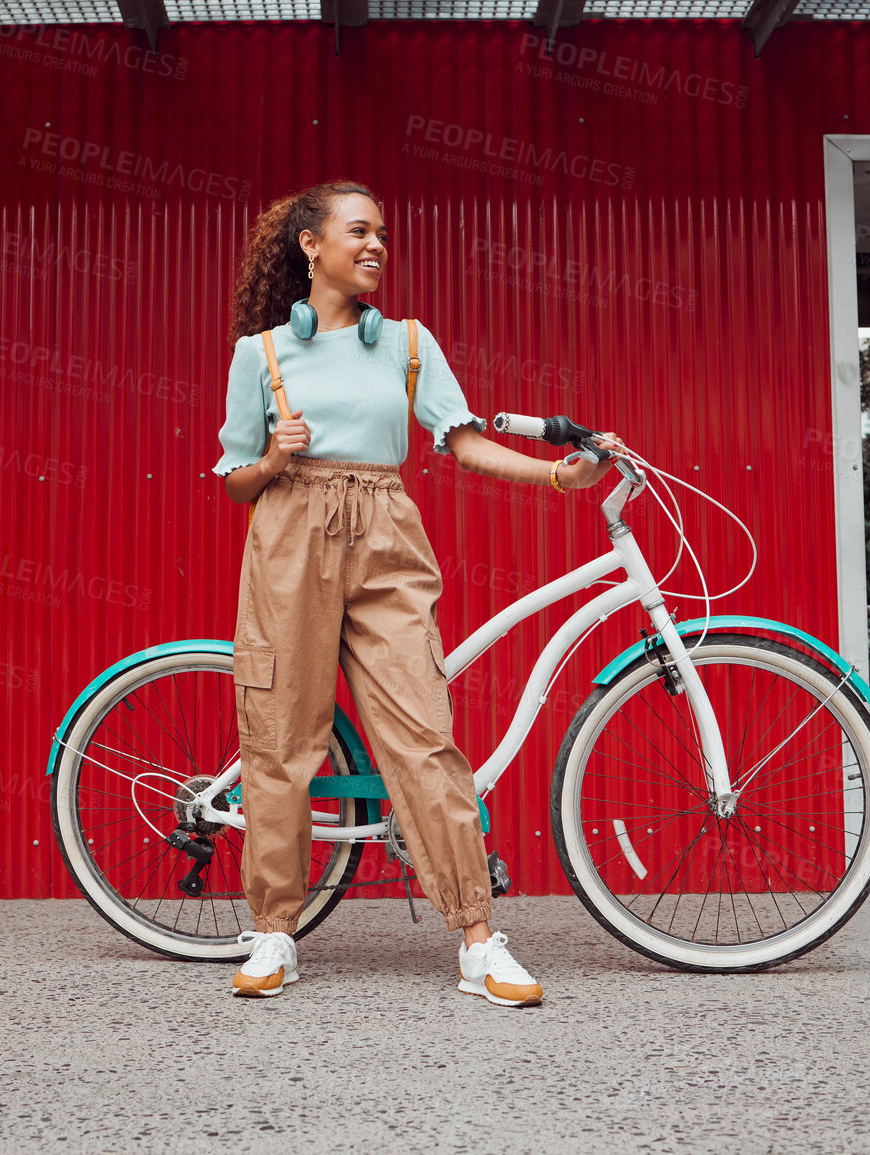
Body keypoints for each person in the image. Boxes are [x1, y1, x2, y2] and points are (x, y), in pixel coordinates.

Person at [212, 179, 619, 1006]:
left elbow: (463, 443)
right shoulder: (259, 354)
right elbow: (235, 482)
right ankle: (274, 931)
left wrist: (556, 474)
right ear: (310, 245)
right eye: (357, 231)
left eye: (383, 234)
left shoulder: (405, 344)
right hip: (288, 535)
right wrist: (275, 459)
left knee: (425, 736)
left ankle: (476, 939)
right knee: (283, 740)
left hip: (386, 533)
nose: (375, 246)